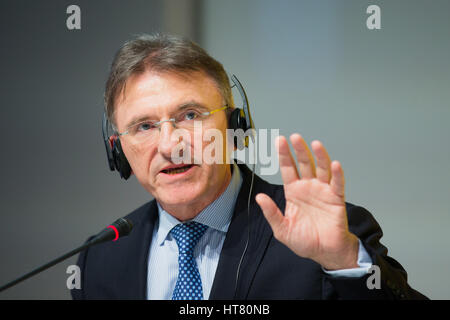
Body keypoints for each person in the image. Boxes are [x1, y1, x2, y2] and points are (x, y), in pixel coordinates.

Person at [72, 33, 427, 300]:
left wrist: (344, 261)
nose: (170, 145)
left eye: (190, 115)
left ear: (234, 125)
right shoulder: (100, 260)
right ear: (118, 150)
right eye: (144, 126)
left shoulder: (325, 238)